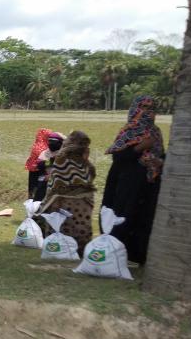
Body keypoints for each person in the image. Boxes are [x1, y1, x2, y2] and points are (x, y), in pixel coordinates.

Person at [101, 95, 165, 266]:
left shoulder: (155, 132)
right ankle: (118, 253)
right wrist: (141, 147)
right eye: (144, 108)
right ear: (136, 109)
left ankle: (138, 256)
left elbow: (162, 155)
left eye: (152, 109)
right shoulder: (128, 131)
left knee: (144, 217)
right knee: (124, 215)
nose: (148, 113)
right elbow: (119, 158)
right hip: (126, 184)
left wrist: (158, 162)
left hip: (149, 184)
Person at [39, 131, 96, 256]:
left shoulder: (62, 155)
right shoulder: (83, 156)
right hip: (83, 201)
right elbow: (90, 175)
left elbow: (56, 177)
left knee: (62, 226)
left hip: (61, 200)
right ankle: (80, 250)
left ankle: (58, 249)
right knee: (81, 227)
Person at [31, 132, 65, 201]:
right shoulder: (45, 153)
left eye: (54, 142)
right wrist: (51, 160)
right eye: (50, 141)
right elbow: (39, 165)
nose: (51, 143)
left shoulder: (64, 153)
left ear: (60, 143)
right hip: (44, 180)